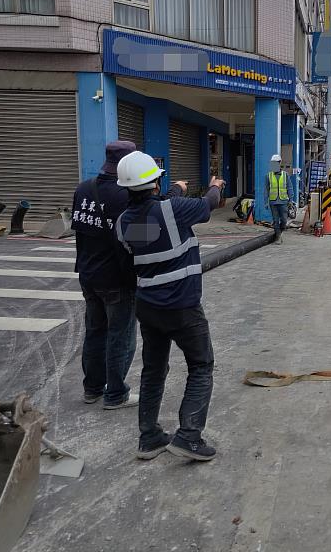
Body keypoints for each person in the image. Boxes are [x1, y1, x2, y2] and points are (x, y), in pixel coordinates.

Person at [115, 151, 224, 461]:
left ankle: (149, 437)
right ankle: (188, 436)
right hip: (183, 307)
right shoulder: (173, 210)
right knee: (201, 366)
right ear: (154, 183)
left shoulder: (125, 222)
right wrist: (215, 185)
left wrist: (176, 188)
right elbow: (207, 205)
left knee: (153, 370)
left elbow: (158, 213)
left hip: (149, 307)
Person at [72, 140, 139, 410]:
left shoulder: (83, 189)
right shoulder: (125, 196)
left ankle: (92, 388)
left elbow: (81, 232)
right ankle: (116, 394)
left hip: (88, 274)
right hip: (116, 279)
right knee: (120, 336)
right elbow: (140, 236)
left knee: (95, 332)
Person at [264, 154, 293, 245]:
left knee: (284, 220)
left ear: (280, 163)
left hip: (283, 201)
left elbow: (289, 187)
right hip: (273, 202)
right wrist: (265, 201)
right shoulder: (268, 176)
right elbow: (266, 189)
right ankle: (278, 236)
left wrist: (291, 200)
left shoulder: (285, 175)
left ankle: (280, 232)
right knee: (276, 220)